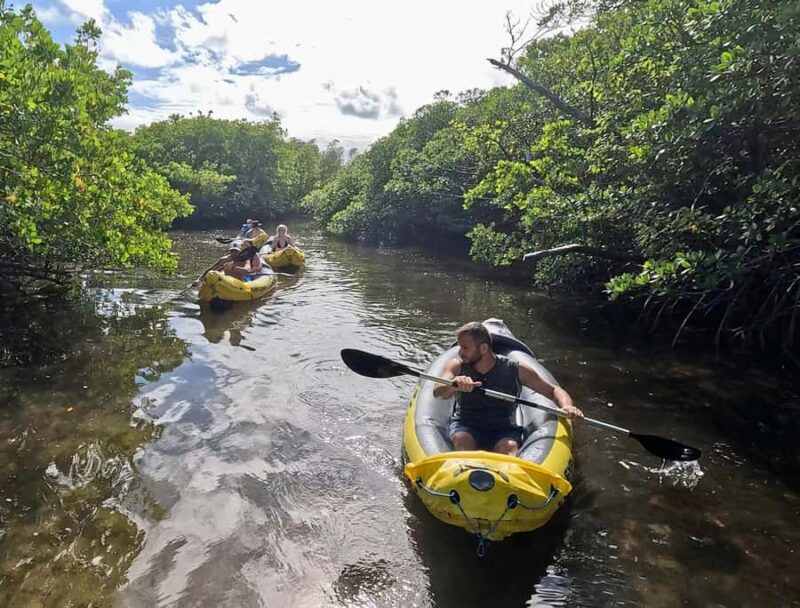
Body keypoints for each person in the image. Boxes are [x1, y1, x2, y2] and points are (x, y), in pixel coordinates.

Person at [433, 321, 584, 456]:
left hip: (503, 427)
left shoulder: (516, 369)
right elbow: (438, 391)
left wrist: (568, 406)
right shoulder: (456, 365)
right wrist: (453, 384)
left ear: (484, 348)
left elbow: (553, 390)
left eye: (465, 348)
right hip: (466, 424)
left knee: (510, 448)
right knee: (462, 440)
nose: (460, 352)